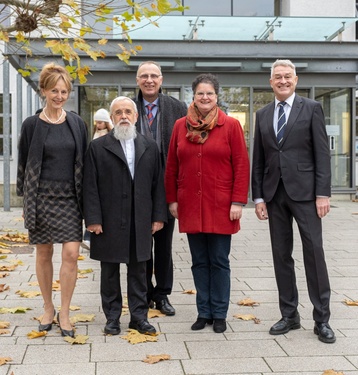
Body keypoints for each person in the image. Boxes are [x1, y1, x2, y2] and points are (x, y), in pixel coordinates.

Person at [251, 59, 336, 344]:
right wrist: (259, 197)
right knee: (281, 255)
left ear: (296, 79)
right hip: (275, 194)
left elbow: (322, 154)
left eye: (288, 76)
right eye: (278, 77)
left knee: (314, 253)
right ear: (271, 81)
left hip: (307, 195)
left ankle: (321, 318)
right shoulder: (262, 114)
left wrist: (323, 193)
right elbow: (259, 159)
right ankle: (289, 314)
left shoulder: (311, 109)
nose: (283, 81)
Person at [165, 73, 250, 333]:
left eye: (209, 93)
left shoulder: (231, 125)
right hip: (190, 203)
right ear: (194, 96)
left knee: (219, 261)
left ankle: (220, 312)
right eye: (200, 93)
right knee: (199, 261)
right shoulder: (181, 126)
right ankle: (204, 311)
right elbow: (171, 166)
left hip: (222, 204)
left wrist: (238, 201)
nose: (205, 97)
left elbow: (241, 165)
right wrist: (172, 200)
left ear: (216, 96)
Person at [83, 96, 167, 335]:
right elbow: (90, 186)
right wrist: (93, 219)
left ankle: (139, 318)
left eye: (128, 112)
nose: (123, 116)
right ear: (111, 118)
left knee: (139, 271)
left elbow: (157, 185)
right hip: (108, 220)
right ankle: (112, 318)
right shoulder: (98, 147)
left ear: (136, 116)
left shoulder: (149, 146)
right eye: (118, 112)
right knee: (109, 272)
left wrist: (158, 216)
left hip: (140, 219)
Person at [16, 62, 88, 338]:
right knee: (44, 253)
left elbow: (85, 163)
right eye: (54, 91)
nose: (59, 96)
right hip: (41, 197)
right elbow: (23, 163)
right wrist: (25, 203)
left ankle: (65, 312)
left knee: (71, 253)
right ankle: (48, 308)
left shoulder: (76, 123)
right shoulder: (32, 124)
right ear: (43, 91)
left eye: (64, 91)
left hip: (70, 199)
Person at [134, 61, 187, 316]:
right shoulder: (127, 108)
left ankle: (163, 294)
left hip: (167, 189)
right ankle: (143, 293)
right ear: (137, 80)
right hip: (137, 191)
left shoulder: (177, 108)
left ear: (162, 79)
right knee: (141, 245)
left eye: (154, 75)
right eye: (144, 76)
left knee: (164, 246)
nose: (149, 80)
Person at [81, 108, 113, 251]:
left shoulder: (110, 135)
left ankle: (89, 237)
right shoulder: (95, 134)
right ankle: (88, 237)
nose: (99, 125)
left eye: (101, 122)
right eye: (97, 122)